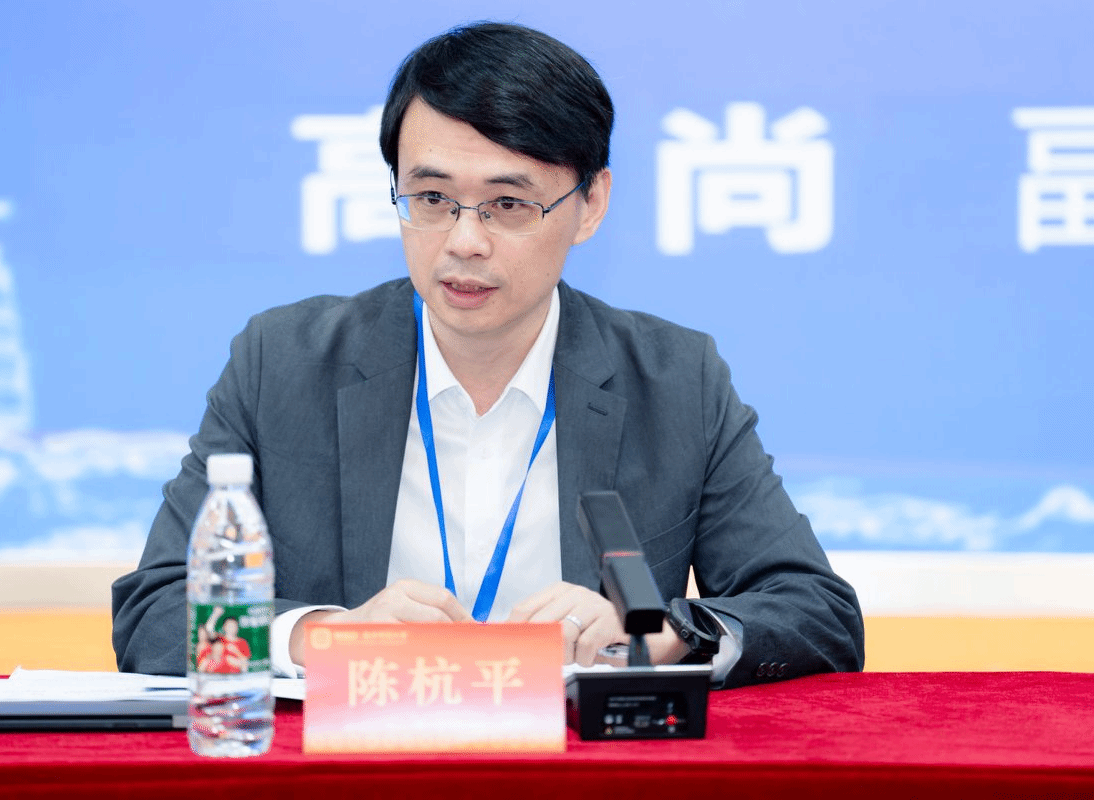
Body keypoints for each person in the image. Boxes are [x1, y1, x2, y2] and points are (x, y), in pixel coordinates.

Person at [111, 21, 863, 688]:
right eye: (432, 199)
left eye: (509, 204)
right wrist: (321, 637)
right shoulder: (284, 363)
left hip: (577, 771)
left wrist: (659, 633)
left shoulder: (674, 379)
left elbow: (816, 612)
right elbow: (155, 611)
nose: (464, 241)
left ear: (591, 204)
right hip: (356, 766)